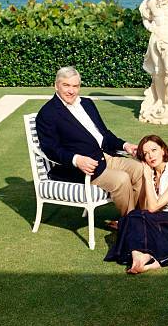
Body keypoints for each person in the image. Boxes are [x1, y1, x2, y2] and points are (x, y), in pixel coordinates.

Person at [35, 66, 142, 217]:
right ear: (56, 85)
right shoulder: (47, 113)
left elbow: (104, 134)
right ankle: (132, 225)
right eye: (66, 85)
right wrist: (76, 160)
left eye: (75, 86)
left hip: (105, 156)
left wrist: (125, 145)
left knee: (141, 170)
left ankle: (139, 219)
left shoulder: (87, 103)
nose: (71, 90)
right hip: (83, 168)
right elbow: (50, 149)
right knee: (122, 179)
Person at [104, 134, 168, 274]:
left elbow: (153, 208)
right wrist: (147, 176)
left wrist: (147, 177)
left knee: (131, 219)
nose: (150, 156)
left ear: (163, 150)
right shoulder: (153, 173)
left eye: (154, 150)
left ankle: (138, 252)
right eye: (146, 154)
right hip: (165, 222)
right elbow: (144, 209)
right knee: (133, 216)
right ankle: (143, 259)